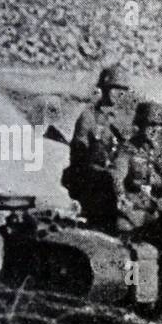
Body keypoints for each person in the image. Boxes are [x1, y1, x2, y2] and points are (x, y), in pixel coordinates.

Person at [66, 65, 136, 230]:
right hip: (95, 184)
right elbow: (78, 156)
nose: (119, 93)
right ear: (104, 88)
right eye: (115, 88)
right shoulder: (88, 117)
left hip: (121, 181)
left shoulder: (126, 120)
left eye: (123, 90)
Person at [111, 101, 162, 234]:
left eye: (160, 125)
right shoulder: (127, 150)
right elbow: (117, 175)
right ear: (140, 125)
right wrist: (121, 196)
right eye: (151, 124)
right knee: (124, 229)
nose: (156, 129)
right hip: (137, 212)